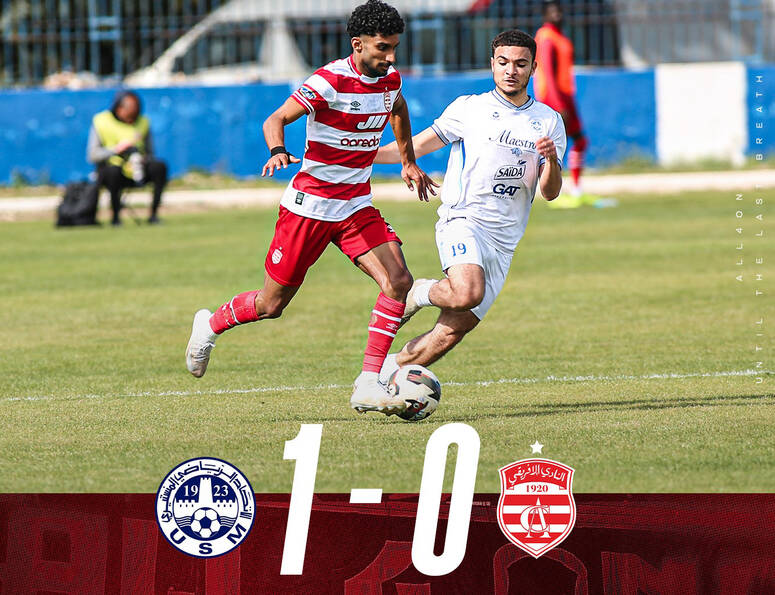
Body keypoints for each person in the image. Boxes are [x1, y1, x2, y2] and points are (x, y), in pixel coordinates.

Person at [184, 0, 437, 416]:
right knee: (271, 305)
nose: (391, 57)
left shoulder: (389, 80)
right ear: (358, 44)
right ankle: (209, 325)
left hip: (355, 205)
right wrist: (278, 150)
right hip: (310, 207)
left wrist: (408, 161)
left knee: (398, 280)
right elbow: (275, 119)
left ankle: (368, 383)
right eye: (383, 48)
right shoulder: (328, 81)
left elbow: (398, 108)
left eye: (394, 47)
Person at [373, 29, 566, 381]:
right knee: (467, 292)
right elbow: (416, 146)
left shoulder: (549, 121)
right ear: (492, 64)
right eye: (503, 62)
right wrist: (359, 154)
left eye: (520, 64)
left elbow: (550, 192)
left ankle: (383, 376)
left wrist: (551, 160)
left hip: (505, 241)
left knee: (453, 329)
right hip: (464, 220)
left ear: (533, 68)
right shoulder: (470, 108)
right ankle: (419, 292)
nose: (511, 71)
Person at [534, 0, 588, 206]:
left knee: (577, 141)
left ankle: (575, 189)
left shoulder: (560, 36)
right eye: (552, 12)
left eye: (559, 11)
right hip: (554, 97)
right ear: (544, 15)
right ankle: (556, 191)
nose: (557, 15)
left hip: (566, 95)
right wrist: (558, 104)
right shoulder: (546, 37)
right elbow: (547, 72)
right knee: (558, 146)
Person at [87, 90, 168, 225]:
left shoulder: (143, 122)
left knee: (160, 167)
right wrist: (116, 150)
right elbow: (92, 155)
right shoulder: (101, 121)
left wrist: (142, 158)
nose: (131, 119)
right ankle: (115, 218)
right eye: (129, 114)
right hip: (112, 170)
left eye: (134, 115)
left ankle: (153, 215)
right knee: (113, 172)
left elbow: (150, 153)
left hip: (137, 169)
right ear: (118, 108)